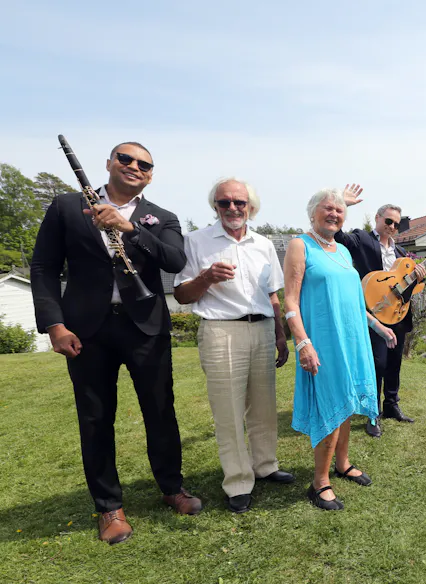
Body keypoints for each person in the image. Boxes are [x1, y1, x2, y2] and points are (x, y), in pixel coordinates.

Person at [31, 141, 201, 544]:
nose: (134, 166)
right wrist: (54, 324)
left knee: (161, 412)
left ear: (151, 174)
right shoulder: (67, 207)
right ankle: (109, 507)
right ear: (109, 163)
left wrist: (131, 229)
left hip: (145, 326)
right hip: (87, 330)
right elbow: (43, 267)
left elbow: (174, 261)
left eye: (144, 164)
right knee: (95, 417)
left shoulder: (161, 217)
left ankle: (172, 488)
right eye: (125, 159)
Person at [173, 178, 293, 513]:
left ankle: (265, 465)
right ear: (215, 206)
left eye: (239, 202)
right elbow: (181, 295)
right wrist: (206, 277)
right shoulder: (196, 241)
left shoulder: (263, 244)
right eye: (224, 202)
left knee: (264, 405)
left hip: (264, 328)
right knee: (228, 410)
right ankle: (238, 481)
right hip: (222, 330)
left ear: (251, 207)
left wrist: (281, 334)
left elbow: (273, 294)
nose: (232, 208)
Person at [283, 188, 397, 510]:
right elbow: (290, 298)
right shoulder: (299, 245)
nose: (334, 214)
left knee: (347, 403)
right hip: (323, 341)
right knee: (331, 406)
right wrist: (303, 342)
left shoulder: (343, 252)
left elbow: (355, 302)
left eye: (339, 210)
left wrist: (378, 326)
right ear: (312, 213)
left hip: (353, 339)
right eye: (327, 208)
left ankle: (342, 463)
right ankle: (319, 482)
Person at [333, 188, 425, 437]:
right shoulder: (362, 240)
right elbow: (337, 235)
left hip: (398, 316)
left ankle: (392, 405)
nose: (392, 227)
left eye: (396, 224)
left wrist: (417, 279)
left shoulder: (401, 254)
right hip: (373, 317)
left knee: (394, 364)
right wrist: (343, 204)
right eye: (388, 221)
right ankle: (372, 413)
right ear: (377, 218)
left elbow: (406, 290)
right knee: (378, 363)